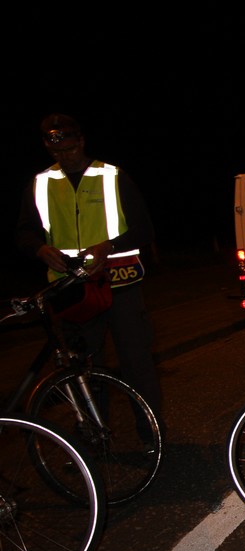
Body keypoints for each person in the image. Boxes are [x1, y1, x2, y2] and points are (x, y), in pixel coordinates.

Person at [15, 113, 163, 436]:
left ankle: (151, 434)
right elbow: (25, 233)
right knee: (82, 368)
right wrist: (40, 249)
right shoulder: (41, 184)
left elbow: (144, 230)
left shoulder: (112, 176)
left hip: (119, 283)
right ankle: (93, 438)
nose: (65, 156)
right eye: (56, 152)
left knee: (136, 362)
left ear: (81, 141)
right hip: (72, 290)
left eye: (69, 149)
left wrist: (109, 246)